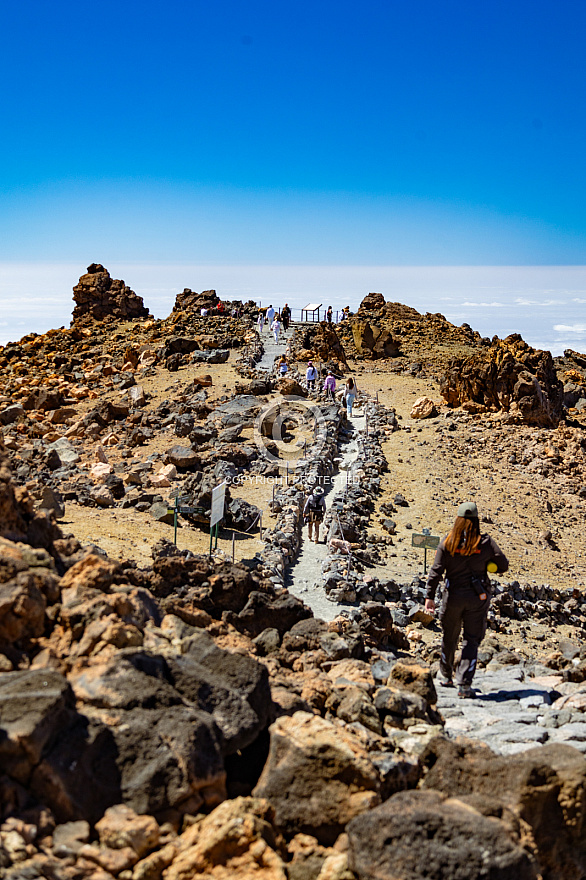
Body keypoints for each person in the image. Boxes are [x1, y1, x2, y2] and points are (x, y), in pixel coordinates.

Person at [424, 502, 509, 698]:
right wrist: (488, 565)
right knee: (471, 640)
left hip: (452, 597)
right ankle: (464, 684)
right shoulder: (485, 543)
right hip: (477, 599)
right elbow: (503, 565)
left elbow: (436, 571)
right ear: (476, 521)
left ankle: (445, 676)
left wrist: (429, 596)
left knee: (449, 637)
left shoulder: (448, 542)